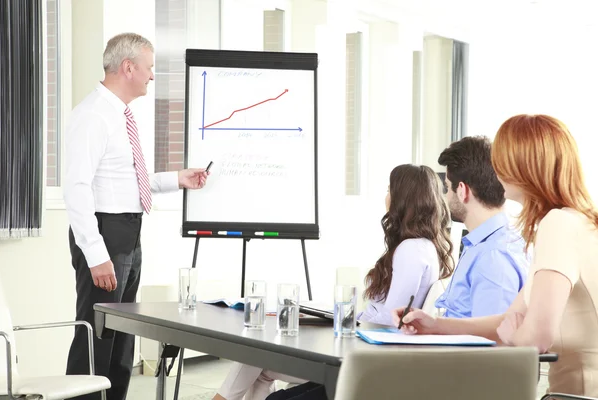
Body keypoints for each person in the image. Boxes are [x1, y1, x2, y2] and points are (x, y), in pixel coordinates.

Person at [393, 114, 598, 397]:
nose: (496, 169)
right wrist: (436, 326)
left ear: (522, 166)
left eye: (502, 159)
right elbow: (509, 318)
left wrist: (515, 335)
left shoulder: (557, 225)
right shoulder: (578, 223)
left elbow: (535, 337)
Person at [213, 164, 454, 400]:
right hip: (363, 348)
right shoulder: (424, 246)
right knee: (260, 366)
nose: (386, 196)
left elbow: (391, 320)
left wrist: (344, 318)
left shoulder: (410, 250)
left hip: (361, 357)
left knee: (256, 357)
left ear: (404, 198)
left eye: (390, 190)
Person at [63, 33, 209, 400]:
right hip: (105, 232)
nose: (152, 76)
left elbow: (126, 180)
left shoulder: (120, 115)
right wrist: (97, 255)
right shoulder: (94, 115)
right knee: (96, 335)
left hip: (128, 229)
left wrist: (178, 179)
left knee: (122, 335)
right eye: (149, 68)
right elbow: (77, 188)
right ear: (128, 67)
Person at [434, 136, 528, 318]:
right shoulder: (484, 245)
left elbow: (489, 341)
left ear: (462, 190)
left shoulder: (493, 256)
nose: (445, 198)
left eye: (447, 188)